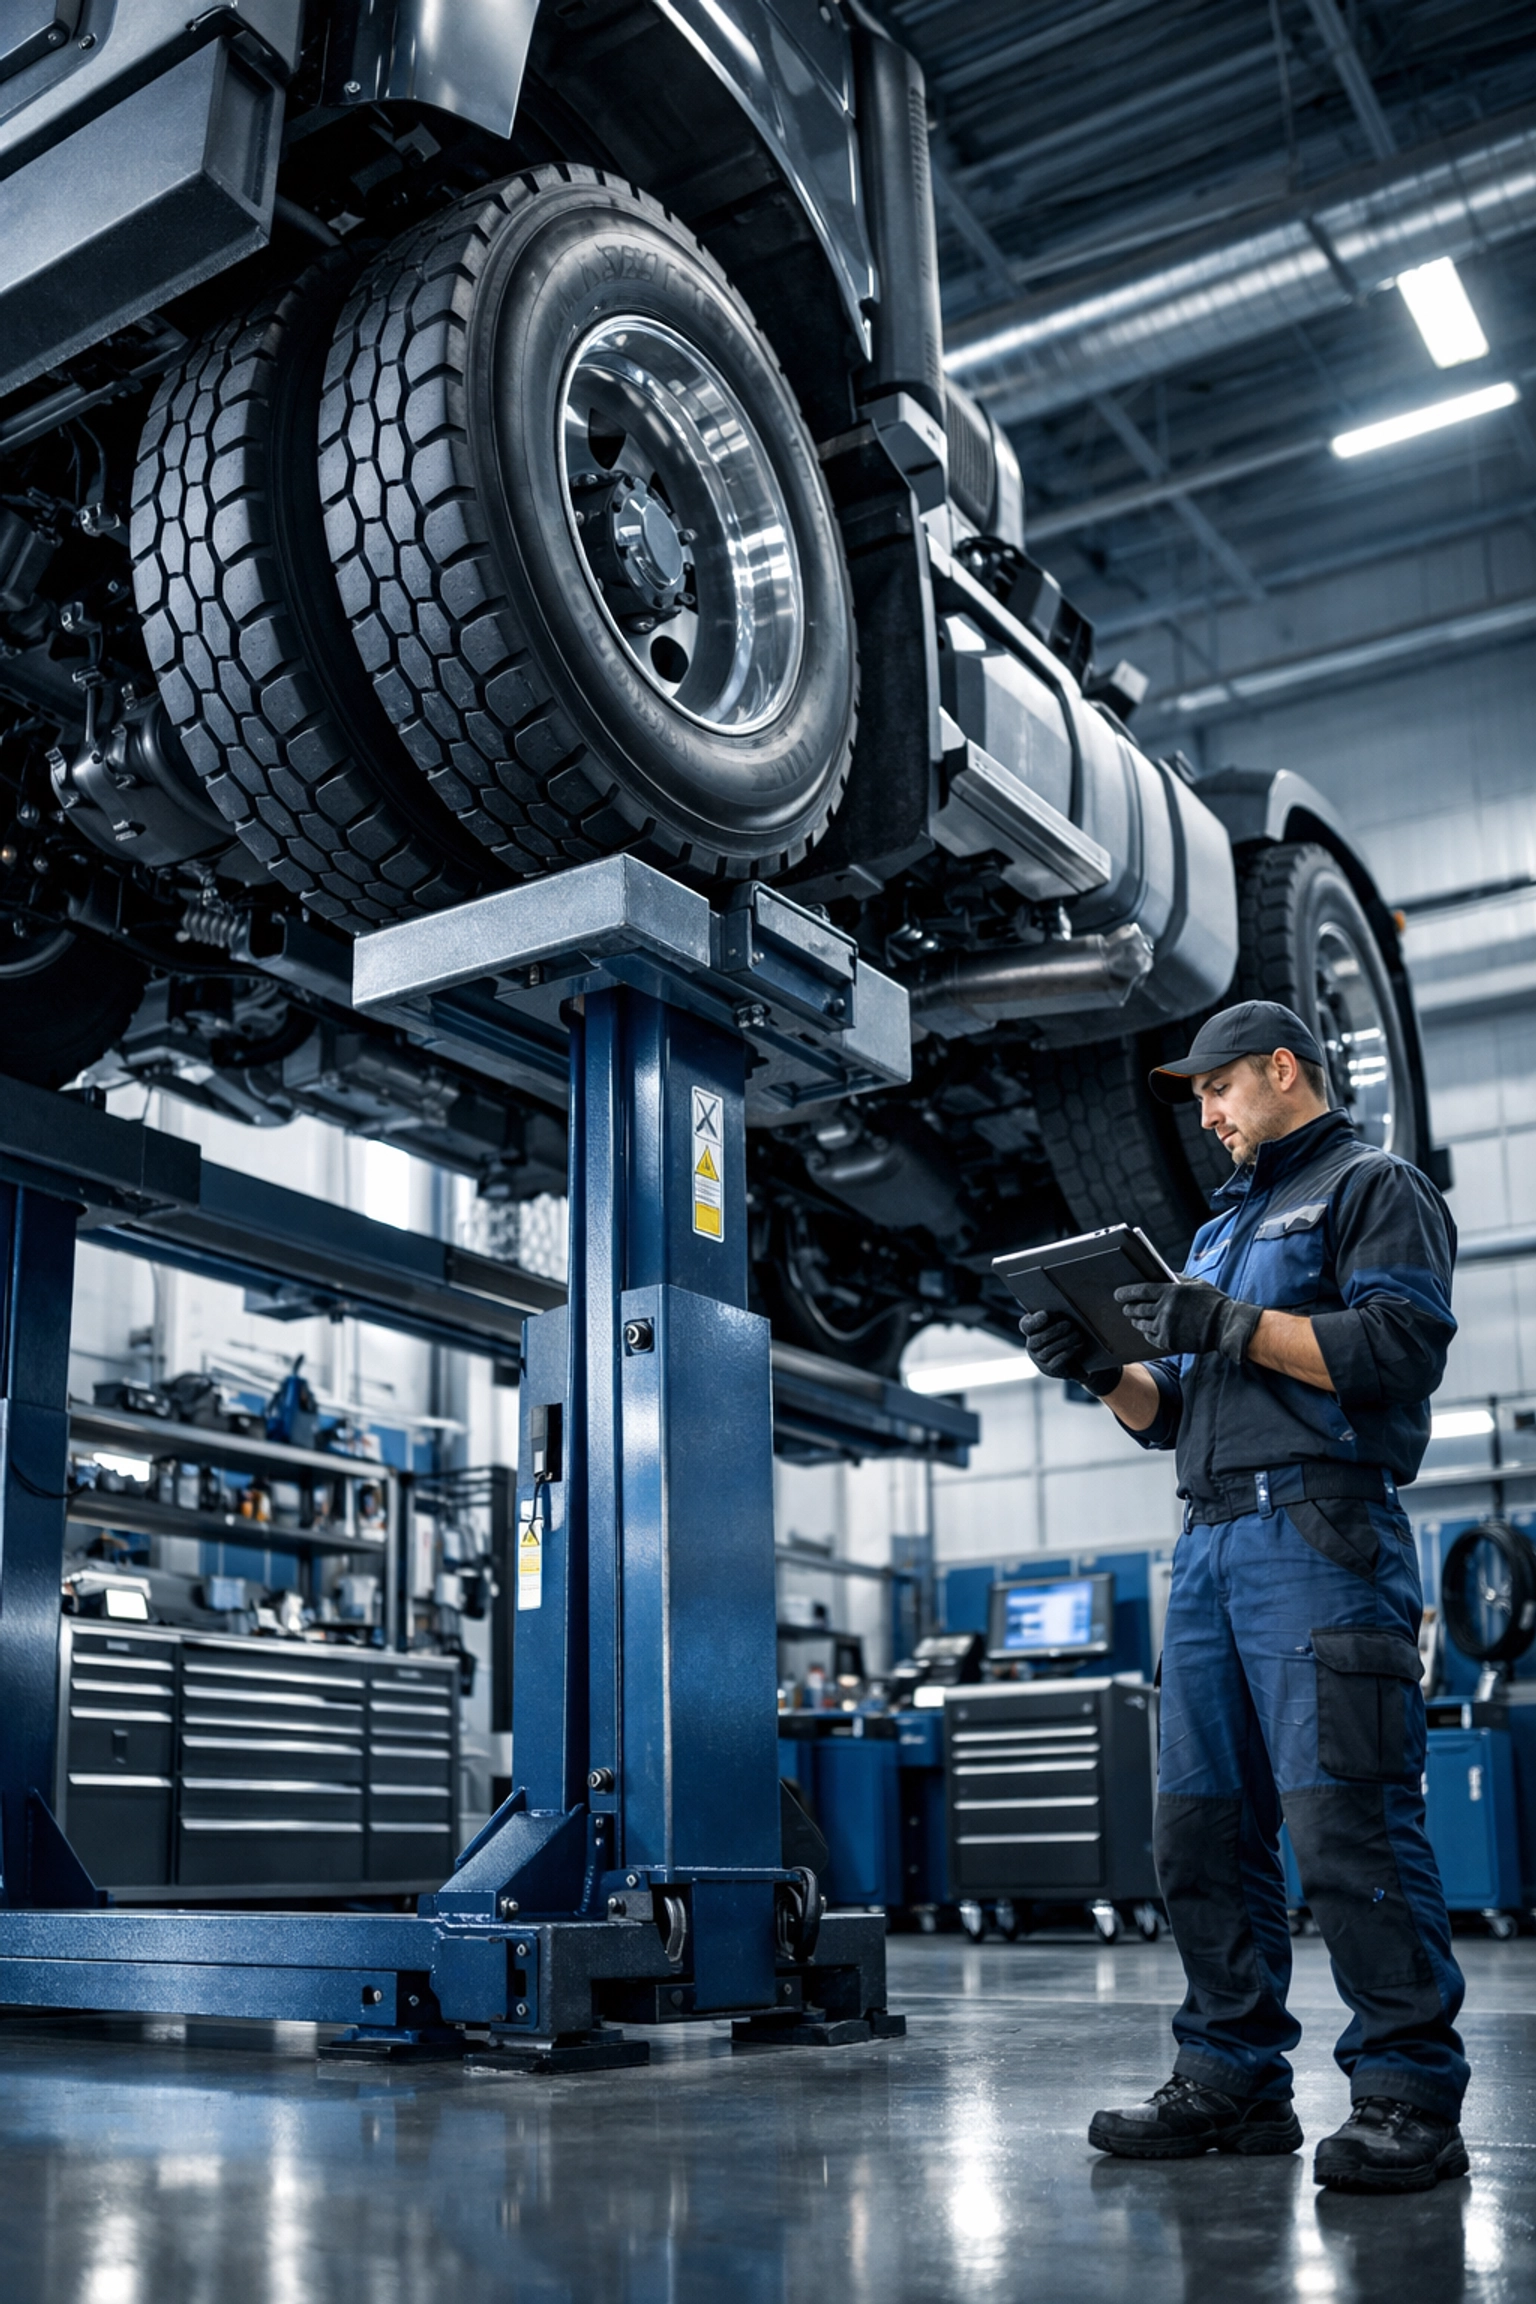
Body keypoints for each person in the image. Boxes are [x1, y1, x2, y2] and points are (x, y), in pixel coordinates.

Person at [1019, 1000, 1467, 2196]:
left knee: (1347, 1823)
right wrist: (1100, 1365)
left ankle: (1409, 2093)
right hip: (1211, 1545)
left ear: (1283, 1068)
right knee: (1199, 1834)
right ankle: (1232, 2079)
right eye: (1199, 1097)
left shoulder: (1374, 1187)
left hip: (1321, 1533)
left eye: (1219, 1088)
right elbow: (1167, 1410)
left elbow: (1397, 1350)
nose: (1207, 1114)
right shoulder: (1217, 1231)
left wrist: (1231, 1323)